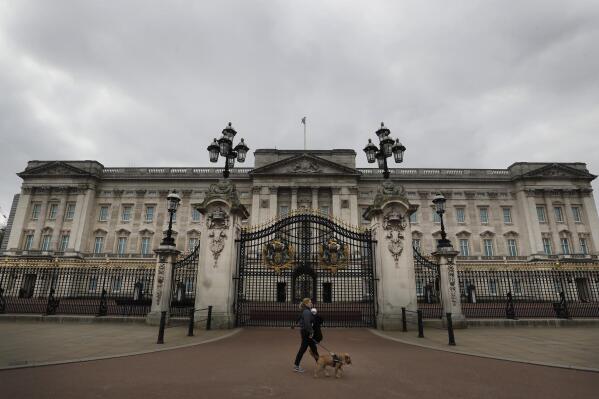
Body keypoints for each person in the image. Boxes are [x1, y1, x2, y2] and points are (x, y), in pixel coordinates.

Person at [293, 298, 319, 373]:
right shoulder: (307, 311)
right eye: (310, 302)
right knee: (303, 349)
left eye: (311, 302)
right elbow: (307, 323)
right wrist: (311, 332)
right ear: (306, 303)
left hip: (305, 332)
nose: (311, 303)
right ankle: (296, 366)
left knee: (313, 348)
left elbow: (299, 319)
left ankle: (320, 363)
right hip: (306, 332)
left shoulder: (305, 310)